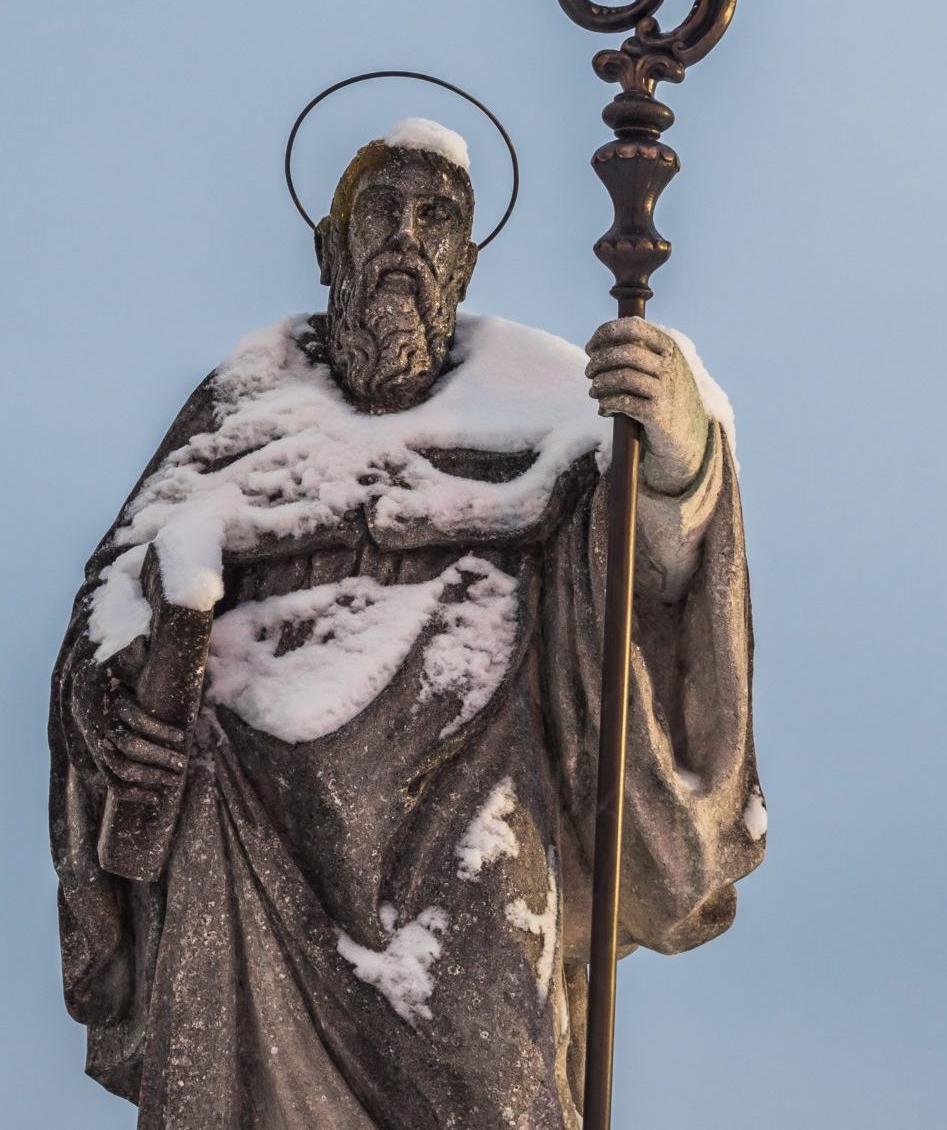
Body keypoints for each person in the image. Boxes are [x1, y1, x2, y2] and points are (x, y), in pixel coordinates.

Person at [48, 117, 765, 1129]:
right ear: (329, 245)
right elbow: (117, 603)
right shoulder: (244, 406)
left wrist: (678, 451)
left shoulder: (544, 406)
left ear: (465, 260)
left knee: (496, 1090)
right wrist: (123, 700)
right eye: (380, 210)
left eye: (436, 219)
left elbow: (648, 578)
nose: (405, 237)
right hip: (251, 842)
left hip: (466, 833)